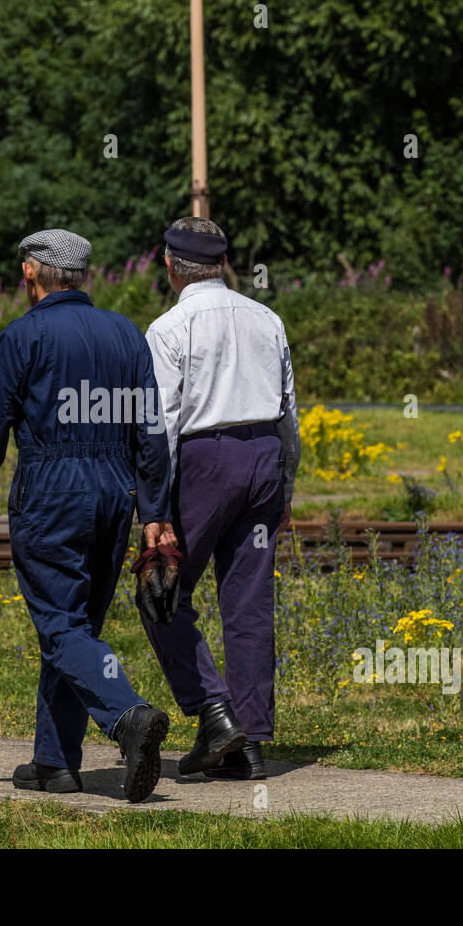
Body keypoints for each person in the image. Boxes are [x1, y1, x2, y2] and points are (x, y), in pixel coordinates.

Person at [0, 228, 178, 803]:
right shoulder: (125, 333)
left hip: (50, 492)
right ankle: (54, 763)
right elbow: (151, 430)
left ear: (30, 272)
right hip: (113, 493)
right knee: (75, 629)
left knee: (60, 625)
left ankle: (128, 717)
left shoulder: (24, 336)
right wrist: (155, 510)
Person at [141, 216, 301, 780]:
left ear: (169, 265)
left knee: (159, 590)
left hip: (205, 461)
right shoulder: (268, 319)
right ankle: (250, 744)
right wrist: (285, 483)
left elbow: (159, 423)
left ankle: (215, 715)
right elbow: (288, 413)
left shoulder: (167, 329)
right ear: (223, 263)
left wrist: (154, 509)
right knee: (249, 605)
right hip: (262, 457)